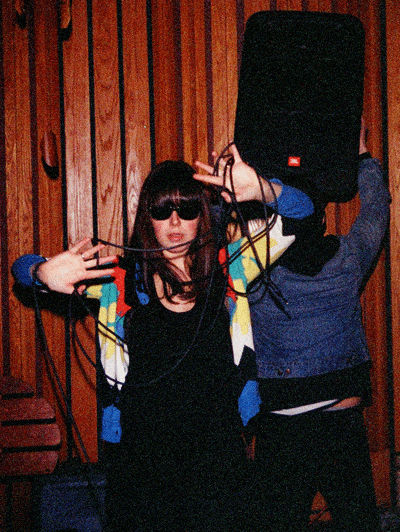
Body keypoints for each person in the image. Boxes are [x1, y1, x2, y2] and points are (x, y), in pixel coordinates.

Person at [12, 153, 314, 531]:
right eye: (162, 210)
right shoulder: (119, 281)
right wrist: (41, 271)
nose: (174, 222)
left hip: (218, 464)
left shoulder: (231, 269)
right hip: (141, 469)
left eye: (187, 210)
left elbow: (303, 215)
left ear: (203, 216)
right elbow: (21, 270)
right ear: (147, 217)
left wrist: (262, 190)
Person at [195, 121, 390, 531]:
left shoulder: (250, 267)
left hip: (283, 423)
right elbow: (376, 209)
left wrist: (225, 190)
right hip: (339, 420)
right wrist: (363, 156)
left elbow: (206, 244)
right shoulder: (347, 255)